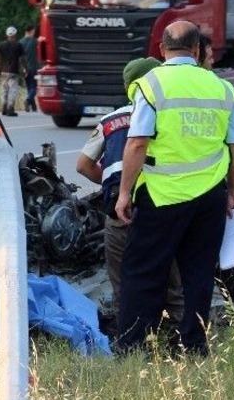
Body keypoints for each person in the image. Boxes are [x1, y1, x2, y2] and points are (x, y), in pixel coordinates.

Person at [114, 21, 234, 355]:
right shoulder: (221, 88)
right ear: (196, 49)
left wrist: (124, 192)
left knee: (143, 272)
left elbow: (137, 143)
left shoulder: (151, 84)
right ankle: (194, 345)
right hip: (210, 196)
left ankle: (134, 345)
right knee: (199, 274)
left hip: (162, 195)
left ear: (162, 49)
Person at [75, 57, 184, 323]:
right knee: (172, 282)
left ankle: (130, 335)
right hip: (161, 207)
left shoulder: (109, 120)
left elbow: (83, 166)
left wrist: (113, 183)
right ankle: (180, 334)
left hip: (119, 214)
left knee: (123, 285)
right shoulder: (168, 113)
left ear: (127, 87)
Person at [0, 26, 26, 117]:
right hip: (13, 71)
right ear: (15, 35)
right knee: (12, 90)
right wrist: (25, 69)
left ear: (7, 35)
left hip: (3, 72)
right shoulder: (18, 45)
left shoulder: (1, 45)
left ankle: (4, 108)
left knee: (4, 90)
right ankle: (10, 108)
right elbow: (22, 59)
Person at [20, 25, 40, 112]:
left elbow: (20, 57)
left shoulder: (20, 42)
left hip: (24, 68)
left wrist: (22, 68)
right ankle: (28, 100)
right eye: (33, 32)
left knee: (29, 87)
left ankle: (33, 106)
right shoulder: (35, 41)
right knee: (35, 87)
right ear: (31, 31)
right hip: (34, 67)